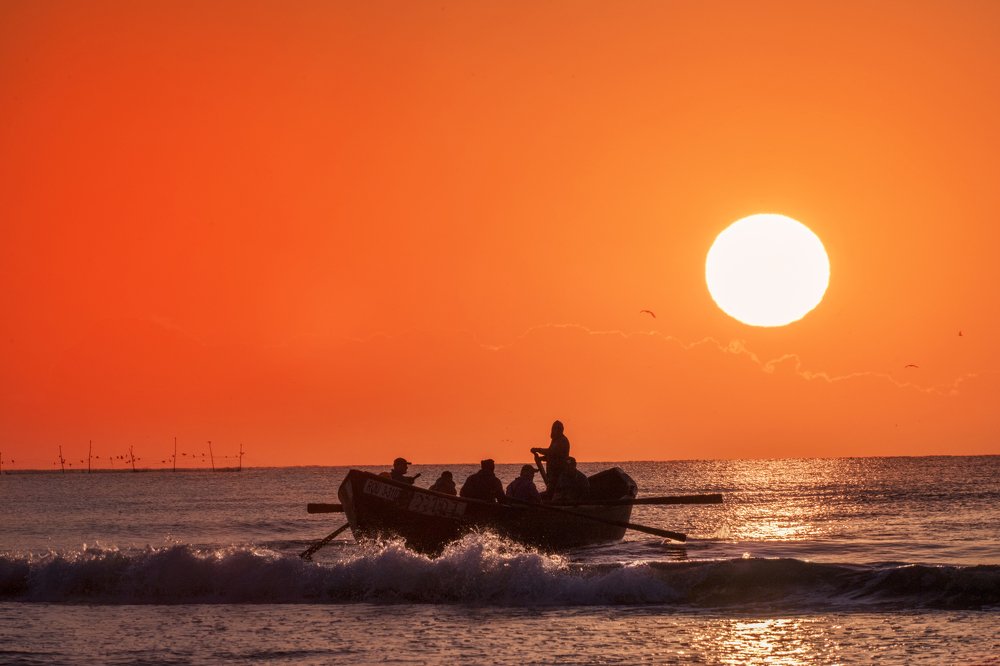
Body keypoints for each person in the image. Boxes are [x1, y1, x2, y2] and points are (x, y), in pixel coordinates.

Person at [530, 420, 570, 492]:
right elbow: (552, 456)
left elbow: (551, 452)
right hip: (552, 475)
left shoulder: (562, 440)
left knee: (554, 491)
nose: (554, 431)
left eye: (557, 429)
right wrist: (541, 458)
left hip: (558, 474)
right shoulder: (555, 440)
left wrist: (538, 450)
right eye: (554, 428)